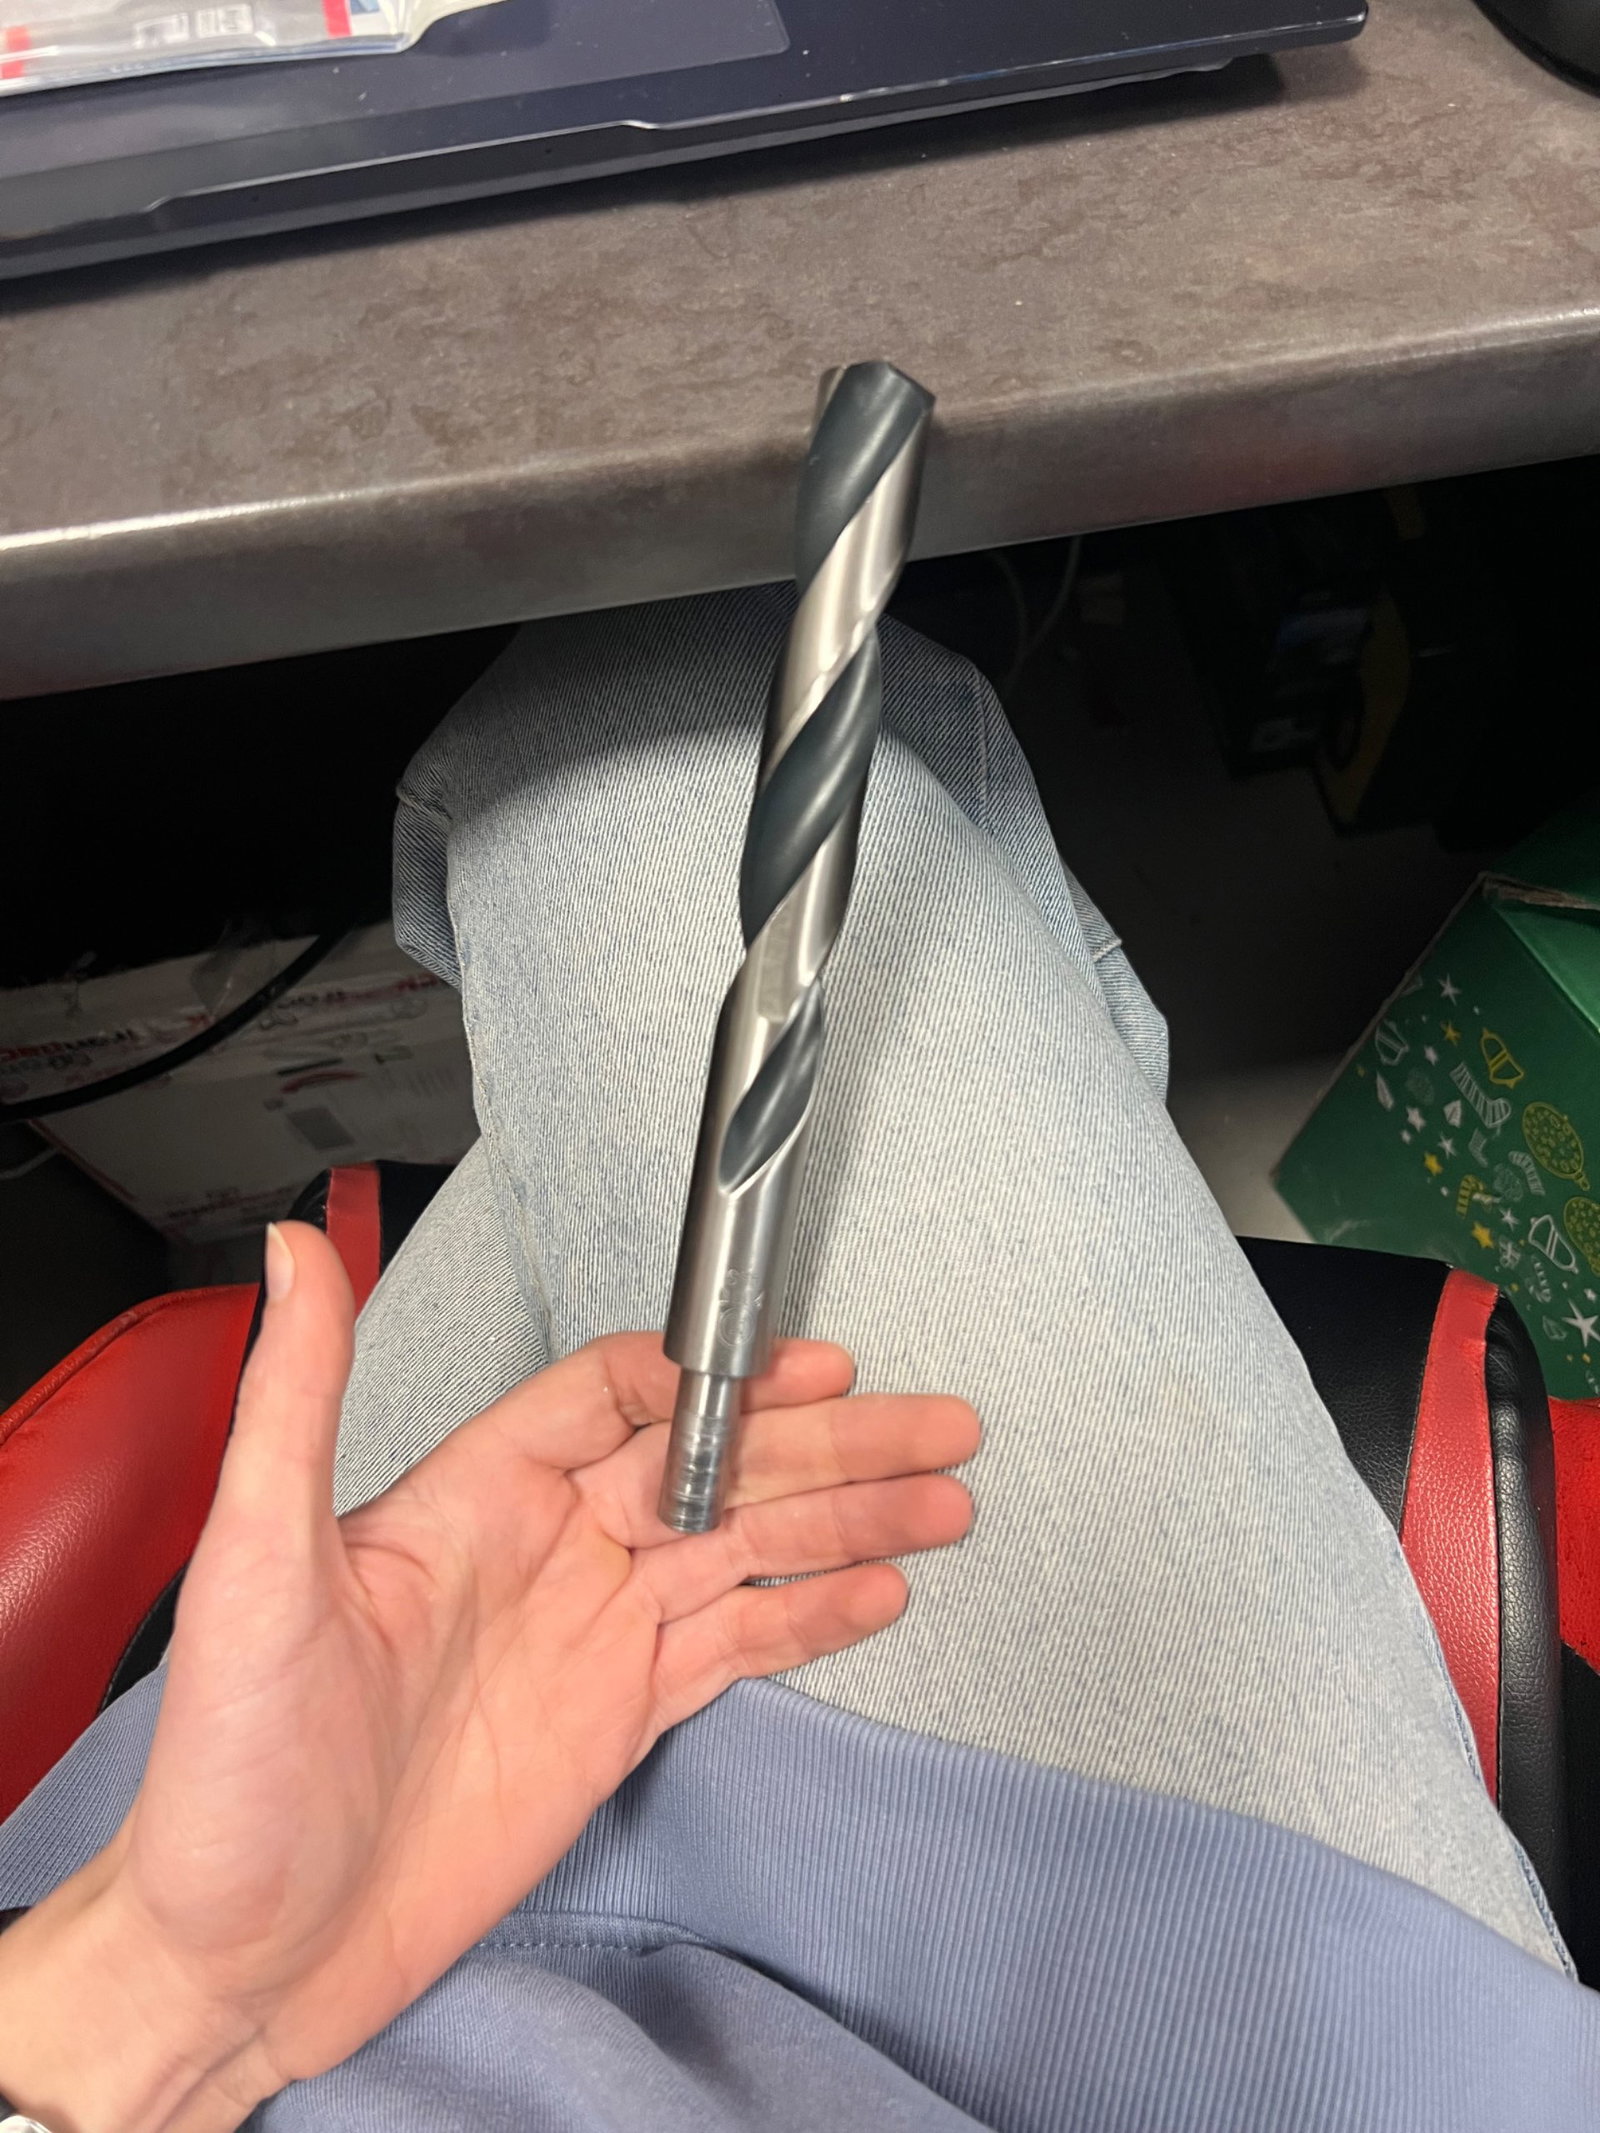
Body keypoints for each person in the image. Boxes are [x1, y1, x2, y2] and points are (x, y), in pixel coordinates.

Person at [1, 588, 1596, 2132]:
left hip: (242, 1971)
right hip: (1161, 2034)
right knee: (668, 710)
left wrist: (156, 1998)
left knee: (653, 791)